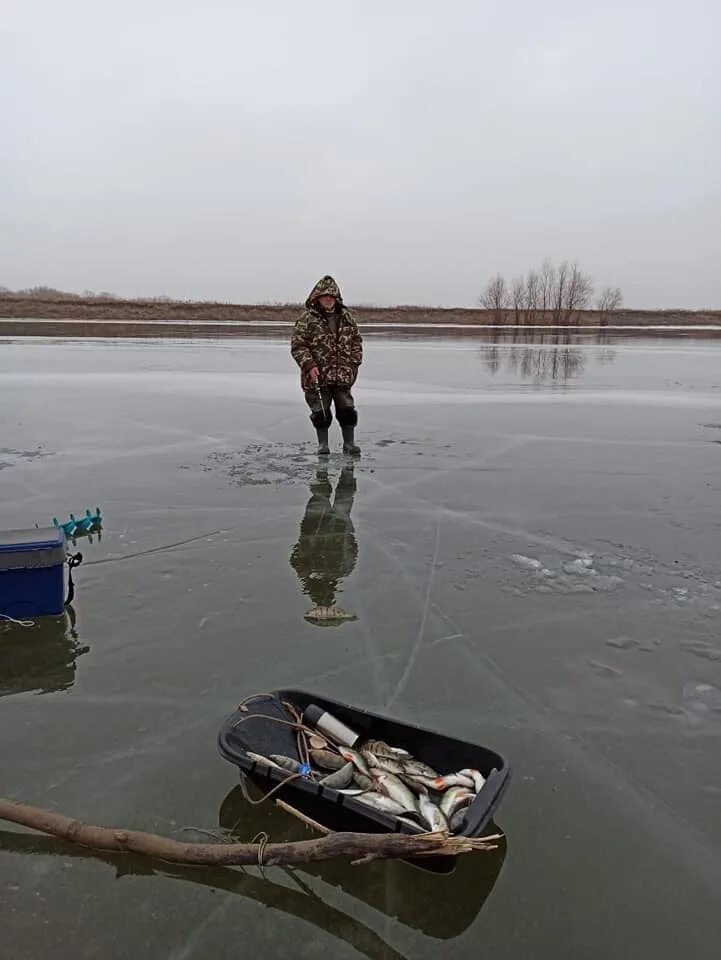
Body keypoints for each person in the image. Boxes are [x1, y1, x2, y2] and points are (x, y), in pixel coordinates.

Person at [291, 275, 362, 457]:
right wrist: (309, 366)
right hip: (317, 376)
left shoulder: (347, 318)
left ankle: (349, 443)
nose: (328, 299)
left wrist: (353, 365)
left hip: (342, 376)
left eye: (331, 296)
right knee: (321, 412)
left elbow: (357, 342)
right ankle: (323, 445)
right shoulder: (307, 319)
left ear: (336, 297)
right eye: (324, 296)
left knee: (347, 410)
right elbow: (298, 346)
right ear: (317, 297)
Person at [289, 462, 358, 625]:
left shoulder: (341, 571)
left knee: (335, 500)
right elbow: (353, 549)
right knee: (335, 501)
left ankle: (334, 474)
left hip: (324, 529)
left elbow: (353, 549)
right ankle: (339, 473)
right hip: (327, 530)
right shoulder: (304, 570)